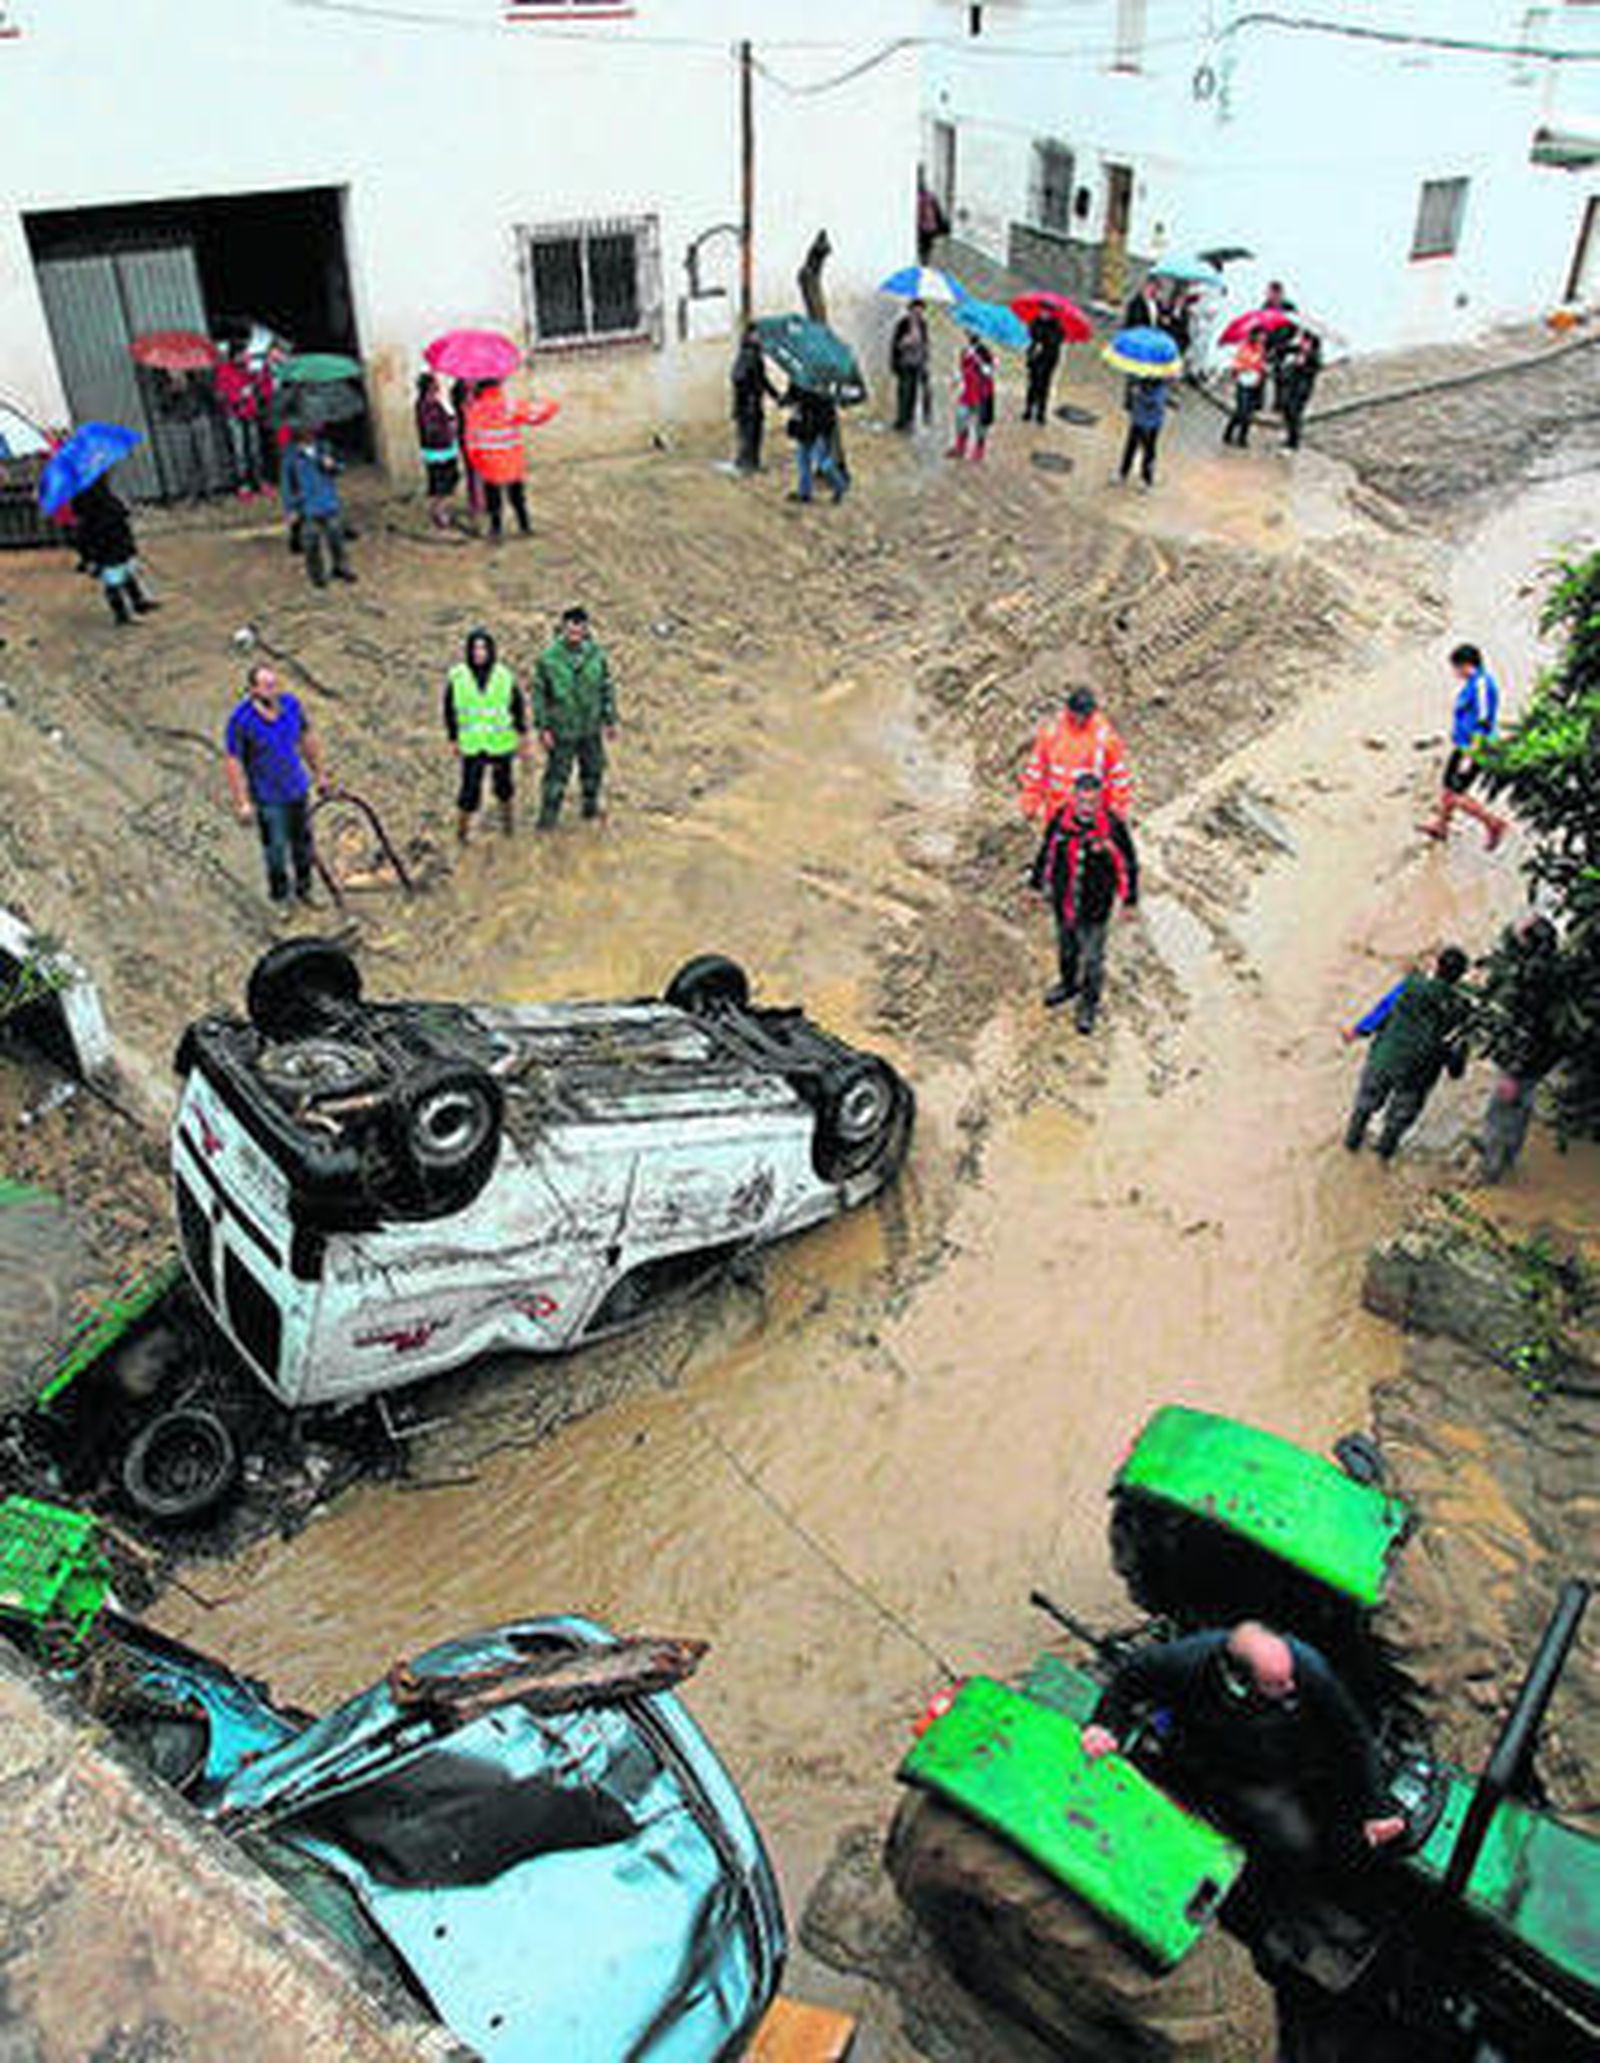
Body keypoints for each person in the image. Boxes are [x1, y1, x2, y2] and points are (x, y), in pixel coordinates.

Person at [1081, 1622, 1407, 1870]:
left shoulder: (1307, 1668)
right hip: (1210, 1758)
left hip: (1276, 1763)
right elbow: (1130, 1677)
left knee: (1303, 1838)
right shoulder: (1186, 1661)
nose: (1291, 1685)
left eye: (1288, 1676)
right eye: (1277, 1683)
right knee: (1293, 1841)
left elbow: (1352, 1735)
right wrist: (1104, 1726)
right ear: (1238, 1682)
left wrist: (1376, 1809)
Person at [1029, 770, 1139, 1032]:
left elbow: (1128, 863)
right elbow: (1047, 851)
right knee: (1066, 950)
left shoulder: (1112, 827)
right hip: (1064, 899)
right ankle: (1068, 985)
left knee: (1092, 959)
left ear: (1100, 801)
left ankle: (1088, 1004)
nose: (1086, 808)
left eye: (1092, 802)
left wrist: (1129, 899)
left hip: (1095, 906)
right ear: (1073, 799)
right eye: (1082, 801)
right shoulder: (1060, 820)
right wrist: (1036, 885)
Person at [1342, 946, 1471, 1160]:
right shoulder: (1460, 1008)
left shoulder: (1411, 984)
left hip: (1384, 1059)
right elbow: (1456, 1048)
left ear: (1437, 966)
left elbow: (1383, 1010)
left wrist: (1357, 1030)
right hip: (1417, 1074)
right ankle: (1382, 1158)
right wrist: (1455, 1069)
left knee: (1364, 1106)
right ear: (1460, 976)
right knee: (1396, 1122)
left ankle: (1350, 1145)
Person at [224, 661, 330, 908]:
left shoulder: (291, 706)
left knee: (303, 845)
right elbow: (233, 761)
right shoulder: (240, 721)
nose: (273, 690)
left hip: (297, 789)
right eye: (266, 686)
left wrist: (320, 775)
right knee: (276, 852)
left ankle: (305, 890)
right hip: (268, 798)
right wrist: (242, 801)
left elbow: (306, 739)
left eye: (275, 684)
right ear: (252, 690)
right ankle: (281, 897)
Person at [1478, 914, 1564, 1183]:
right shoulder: (1558, 969)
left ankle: (1490, 1174)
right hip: (1541, 1060)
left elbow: (1528, 1029)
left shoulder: (1530, 983)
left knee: (1500, 1113)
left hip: (1523, 1062)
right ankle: (1509, 1158)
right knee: (1521, 1110)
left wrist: (1513, 1072)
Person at [533, 605, 617, 828]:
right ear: (563, 628)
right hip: (562, 729)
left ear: (586, 630)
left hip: (590, 727)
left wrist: (609, 719)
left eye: (580, 630)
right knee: (556, 780)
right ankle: (547, 821)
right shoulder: (549, 659)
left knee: (593, 772)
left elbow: (606, 686)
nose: (575, 635)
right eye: (571, 630)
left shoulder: (596, 655)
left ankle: (589, 810)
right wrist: (543, 728)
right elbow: (539, 695)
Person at [1420, 642, 1509, 849]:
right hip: (1463, 745)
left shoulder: (1481, 685)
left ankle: (1493, 823)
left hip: (1473, 748)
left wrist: (1472, 754)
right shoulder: (1473, 683)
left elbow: (1484, 719)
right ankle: (1441, 827)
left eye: (1456, 668)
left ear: (1466, 665)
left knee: (1456, 794)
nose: (1455, 673)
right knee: (1447, 787)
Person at [444, 627, 529, 842]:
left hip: (499, 743)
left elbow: (517, 706)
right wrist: (453, 738)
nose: (479, 652)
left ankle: (508, 827)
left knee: (504, 787)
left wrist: (522, 735)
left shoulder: (504, 676)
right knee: (469, 791)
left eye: (483, 648)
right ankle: (461, 833)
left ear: (491, 650)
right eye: (475, 648)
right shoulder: (458, 676)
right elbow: (449, 709)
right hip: (472, 745)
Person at [1020, 685, 1133, 826]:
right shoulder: (1052, 732)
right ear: (1069, 710)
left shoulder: (1103, 736)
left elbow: (1117, 776)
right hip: (1057, 813)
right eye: (1076, 715)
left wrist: (1117, 809)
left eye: (1084, 716)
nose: (1080, 719)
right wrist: (1030, 804)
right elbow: (1035, 772)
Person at [70, 476, 159, 627]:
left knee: (126, 571)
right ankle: (121, 614)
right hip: (105, 542)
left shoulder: (97, 489)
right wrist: (89, 556)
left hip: (115, 537)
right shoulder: (85, 497)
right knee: (113, 578)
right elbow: (84, 531)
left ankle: (137, 602)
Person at [281, 425, 356, 586]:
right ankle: (317, 575)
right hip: (306, 504)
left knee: (335, 536)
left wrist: (332, 466)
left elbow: (340, 468)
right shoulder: (291, 456)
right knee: (311, 542)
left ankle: (340, 566)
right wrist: (291, 508)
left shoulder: (324, 448)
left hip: (327, 500)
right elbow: (287, 485)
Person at [462, 379, 533, 540]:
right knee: (517, 495)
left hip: (489, 463)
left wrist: (476, 461)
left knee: (493, 498)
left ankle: (496, 529)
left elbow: (470, 439)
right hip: (512, 460)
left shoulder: (475, 409)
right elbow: (533, 415)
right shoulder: (510, 406)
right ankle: (525, 525)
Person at [214, 341, 266, 498]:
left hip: (250, 412)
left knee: (255, 448)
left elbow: (261, 387)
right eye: (241, 355)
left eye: (245, 355)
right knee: (239, 452)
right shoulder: (223, 371)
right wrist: (238, 396)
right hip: (234, 414)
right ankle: (243, 484)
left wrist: (258, 383)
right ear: (233, 357)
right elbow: (221, 395)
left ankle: (259, 480)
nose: (244, 358)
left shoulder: (250, 370)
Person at [414, 371, 461, 530]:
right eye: (435, 385)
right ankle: (440, 513)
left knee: (447, 480)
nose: (438, 387)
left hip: (445, 448)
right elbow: (431, 430)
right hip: (438, 451)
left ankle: (440, 510)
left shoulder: (435, 403)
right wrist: (450, 427)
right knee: (442, 483)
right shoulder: (426, 406)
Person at [731, 324, 781, 471]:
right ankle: (748, 463)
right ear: (749, 336)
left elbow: (762, 380)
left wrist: (775, 395)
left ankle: (747, 462)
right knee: (751, 434)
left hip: (748, 403)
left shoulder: (750, 354)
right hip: (748, 404)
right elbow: (741, 379)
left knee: (751, 433)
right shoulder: (749, 355)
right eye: (757, 334)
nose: (760, 338)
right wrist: (751, 394)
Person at [786, 386, 847, 503]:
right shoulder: (816, 377)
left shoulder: (809, 379)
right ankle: (804, 492)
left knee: (819, 460)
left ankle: (840, 485)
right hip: (811, 424)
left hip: (815, 425)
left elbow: (798, 397)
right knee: (804, 459)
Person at [948, 336, 995, 461]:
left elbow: (989, 372)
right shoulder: (965, 352)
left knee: (980, 424)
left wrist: (980, 361)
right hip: (967, 392)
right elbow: (962, 369)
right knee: (961, 418)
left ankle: (979, 449)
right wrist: (956, 380)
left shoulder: (985, 352)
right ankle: (960, 447)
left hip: (981, 393)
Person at [1277, 326, 1322, 451]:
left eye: (1306, 340)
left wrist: (1302, 364)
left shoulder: (1314, 355)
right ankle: (1290, 436)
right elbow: (1282, 350)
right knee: (1287, 409)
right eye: (1303, 339)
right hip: (1292, 384)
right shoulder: (1298, 350)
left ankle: (1293, 441)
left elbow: (1314, 369)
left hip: (1302, 388)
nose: (1303, 342)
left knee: (1294, 412)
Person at [890, 299, 932, 433]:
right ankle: (901, 420)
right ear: (910, 310)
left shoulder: (923, 325)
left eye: (921, 309)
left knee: (913, 393)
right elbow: (895, 344)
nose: (918, 312)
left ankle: (910, 420)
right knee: (904, 392)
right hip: (904, 362)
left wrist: (925, 357)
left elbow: (925, 343)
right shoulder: (902, 324)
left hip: (917, 363)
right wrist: (905, 342)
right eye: (916, 309)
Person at [1119, 375, 1168, 486]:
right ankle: (1123, 472)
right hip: (1138, 417)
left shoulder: (1160, 383)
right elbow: (1130, 384)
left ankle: (1147, 478)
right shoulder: (1137, 374)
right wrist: (1129, 397)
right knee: (1131, 445)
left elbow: (1157, 402)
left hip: (1152, 422)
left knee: (1148, 449)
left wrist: (1140, 394)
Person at [1222, 331, 1267, 447]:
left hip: (1254, 384)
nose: (1263, 338)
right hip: (1243, 383)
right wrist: (1248, 365)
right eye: (1261, 335)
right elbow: (1236, 365)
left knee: (1249, 413)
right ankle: (1229, 432)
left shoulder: (1261, 349)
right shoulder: (1244, 348)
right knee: (1242, 410)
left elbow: (1260, 365)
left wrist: (1261, 369)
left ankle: (1242, 438)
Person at [1023, 309, 1064, 424]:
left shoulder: (1057, 326)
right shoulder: (1035, 322)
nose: (1044, 314)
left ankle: (1041, 412)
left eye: (1047, 312)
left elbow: (1058, 340)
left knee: (1044, 387)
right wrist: (1035, 343)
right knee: (1032, 385)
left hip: (1048, 360)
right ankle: (1028, 409)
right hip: (1035, 358)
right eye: (1042, 312)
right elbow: (1030, 335)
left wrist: (1045, 340)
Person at [916, 172, 949, 264]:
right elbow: (938, 212)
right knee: (925, 250)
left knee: (925, 250)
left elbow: (937, 212)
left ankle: (924, 263)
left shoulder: (927, 197)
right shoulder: (929, 197)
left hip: (925, 231)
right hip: (927, 230)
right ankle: (924, 263)